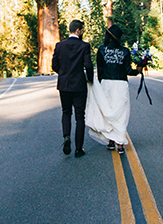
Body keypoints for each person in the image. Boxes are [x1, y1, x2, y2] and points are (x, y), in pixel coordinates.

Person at [85, 24, 136, 155]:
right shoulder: (125, 51)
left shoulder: (102, 49)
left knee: (107, 111)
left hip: (106, 83)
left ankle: (111, 141)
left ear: (109, 36)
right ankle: (120, 144)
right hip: (120, 84)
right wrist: (138, 70)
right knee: (121, 113)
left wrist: (100, 85)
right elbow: (128, 71)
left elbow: (100, 70)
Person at [51, 19, 94, 158]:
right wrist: (90, 79)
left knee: (66, 112)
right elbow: (88, 65)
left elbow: (54, 65)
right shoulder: (84, 46)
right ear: (77, 30)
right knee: (80, 116)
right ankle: (78, 149)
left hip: (64, 84)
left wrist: (63, 73)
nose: (83, 32)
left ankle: (66, 137)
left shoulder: (59, 46)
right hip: (79, 85)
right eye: (82, 30)